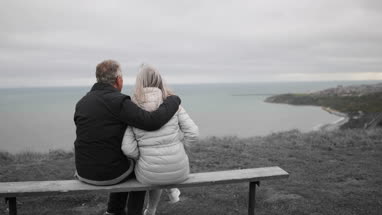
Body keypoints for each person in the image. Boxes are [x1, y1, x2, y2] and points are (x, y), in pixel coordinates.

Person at [74, 60, 181, 215]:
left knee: (120, 162)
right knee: (139, 167)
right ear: (118, 80)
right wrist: (173, 100)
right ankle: (134, 212)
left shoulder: (82, 103)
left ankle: (114, 211)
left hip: (83, 172)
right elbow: (152, 122)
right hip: (109, 174)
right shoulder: (119, 102)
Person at [121, 64, 199, 215]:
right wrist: (181, 150)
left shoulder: (133, 108)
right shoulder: (173, 104)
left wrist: (142, 156)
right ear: (160, 81)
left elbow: (127, 148)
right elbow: (193, 133)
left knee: (153, 168)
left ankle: (153, 207)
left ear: (139, 82)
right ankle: (154, 208)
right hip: (180, 170)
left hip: (148, 172)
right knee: (159, 168)